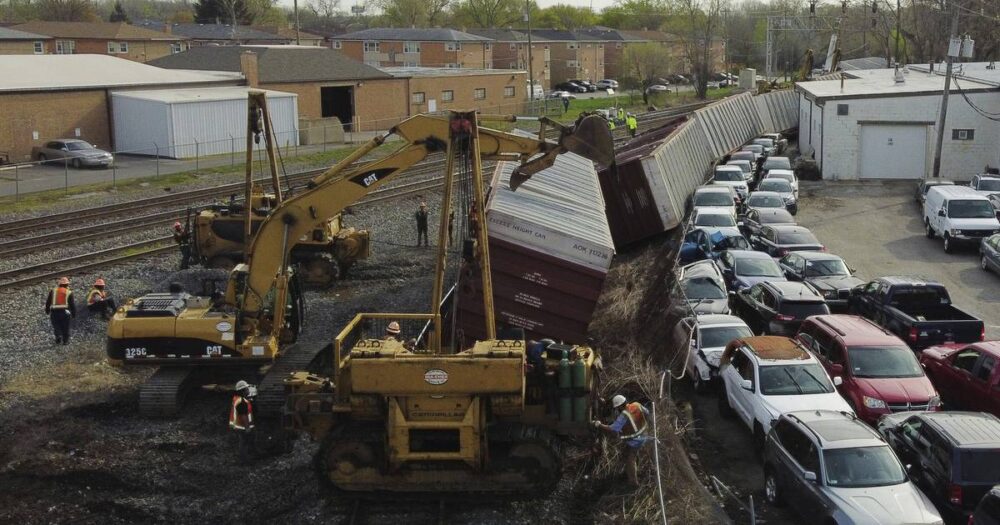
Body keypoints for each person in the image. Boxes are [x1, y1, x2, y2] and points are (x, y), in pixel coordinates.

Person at [593, 394, 651, 487]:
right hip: (644, 434)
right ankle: (634, 470)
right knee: (629, 454)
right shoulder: (636, 404)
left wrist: (599, 424)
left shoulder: (624, 415)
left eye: (617, 408)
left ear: (620, 406)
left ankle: (633, 482)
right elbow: (647, 413)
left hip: (635, 441)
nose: (617, 410)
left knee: (630, 459)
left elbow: (613, 429)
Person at [229, 380, 255, 462]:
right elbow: (243, 415)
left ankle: (247, 456)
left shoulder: (237, 398)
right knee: (244, 442)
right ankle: (244, 459)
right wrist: (247, 427)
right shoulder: (242, 402)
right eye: (247, 389)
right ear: (243, 391)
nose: (248, 390)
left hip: (238, 425)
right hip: (242, 426)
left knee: (244, 441)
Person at [45, 277, 76, 345]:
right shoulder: (69, 292)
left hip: (54, 312)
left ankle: (58, 336)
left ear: (59, 284)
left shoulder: (53, 291)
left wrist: (47, 310)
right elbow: (72, 305)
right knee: (65, 327)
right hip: (65, 313)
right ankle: (65, 341)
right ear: (67, 284)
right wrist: (74, 314)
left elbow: (48, 302)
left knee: (56, 326)